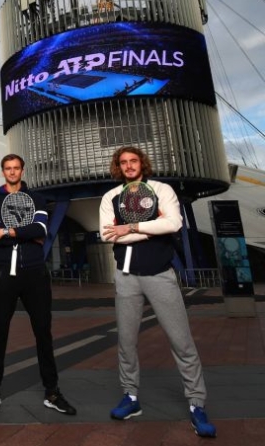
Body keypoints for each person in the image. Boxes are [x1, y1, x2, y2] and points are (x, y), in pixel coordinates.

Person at [99, 146, 216, 438]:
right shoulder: (111, 197)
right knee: (126, 342)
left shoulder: (162, 189)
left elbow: (174, 223)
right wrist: (152, 228)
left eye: (133, 161)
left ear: (142, 163)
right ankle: (131, 397)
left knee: (182, 341)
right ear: (118, 167)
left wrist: (131, 228)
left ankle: (197, 404)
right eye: (123, 162)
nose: (128, 166)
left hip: (160, 274)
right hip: (126, 277)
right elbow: (106, 233)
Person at [0, 154, 76, 416]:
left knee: (43, 331)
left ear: (22, 170)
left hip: (35, 271)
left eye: (16, 168)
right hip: (4, 272)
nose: (12, 172)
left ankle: (52, 391)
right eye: (7, 168)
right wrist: (21, 232)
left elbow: (41, 230)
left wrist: (9, 232)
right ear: (3, 172)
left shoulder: (36, 198)